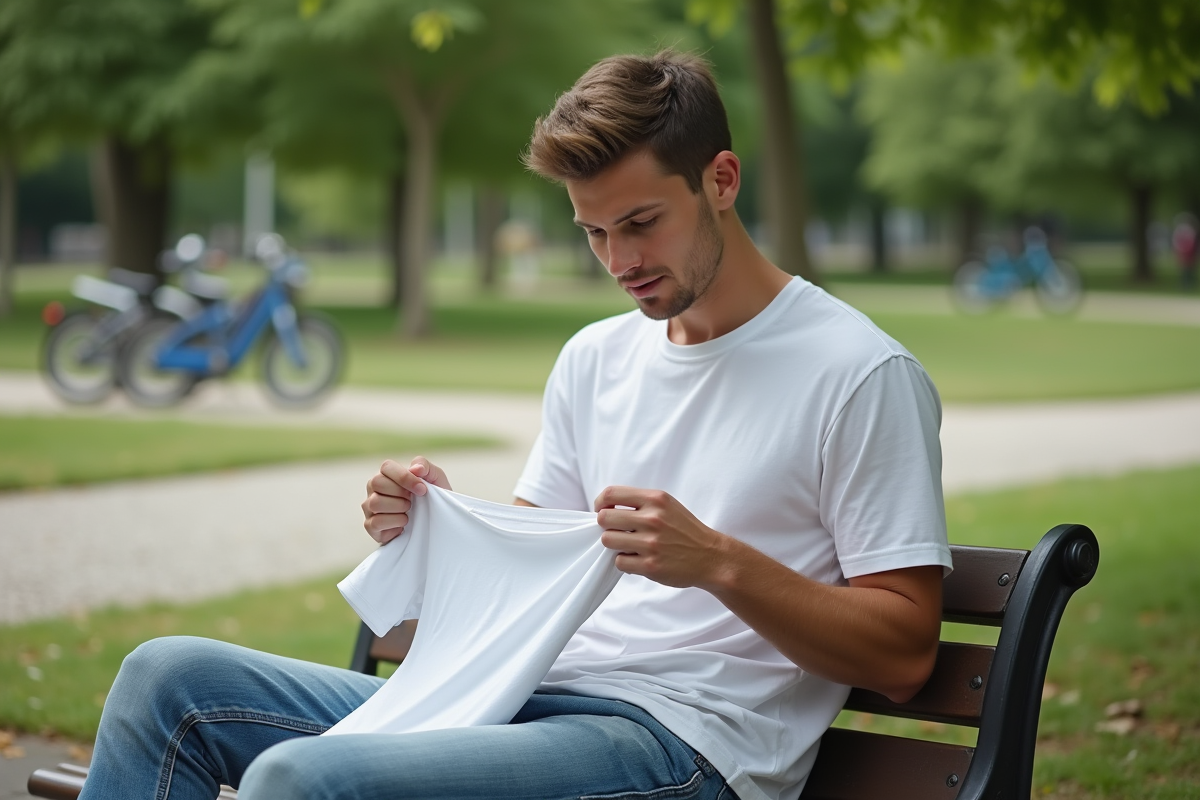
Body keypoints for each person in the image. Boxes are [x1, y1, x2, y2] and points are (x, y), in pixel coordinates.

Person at [80, 50, 950, 800]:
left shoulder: (857, 373)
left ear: (720, 181)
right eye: (594, 233)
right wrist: (439, 529)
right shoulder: (596, 358)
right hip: (513, 695)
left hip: (681, 744)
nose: (621, 263)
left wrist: (717, 561)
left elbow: (906, 650)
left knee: (305, 781)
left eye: (643, 223)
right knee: (166, 679)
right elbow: (524, 586)